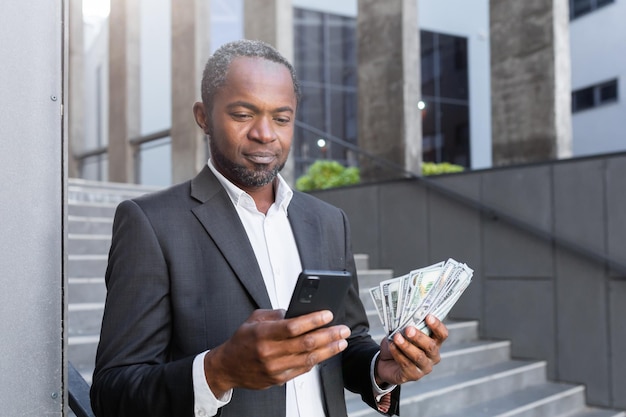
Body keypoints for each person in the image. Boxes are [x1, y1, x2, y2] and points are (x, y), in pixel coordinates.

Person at [90, 39, 448, 417]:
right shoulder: (150, 223)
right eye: (243, 114)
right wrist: (218, 370)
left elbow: (347, 341)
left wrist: (381, 367)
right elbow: (113, 394)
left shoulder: (329, 222)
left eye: (281, 118)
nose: (265, 133)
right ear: (203, 116)